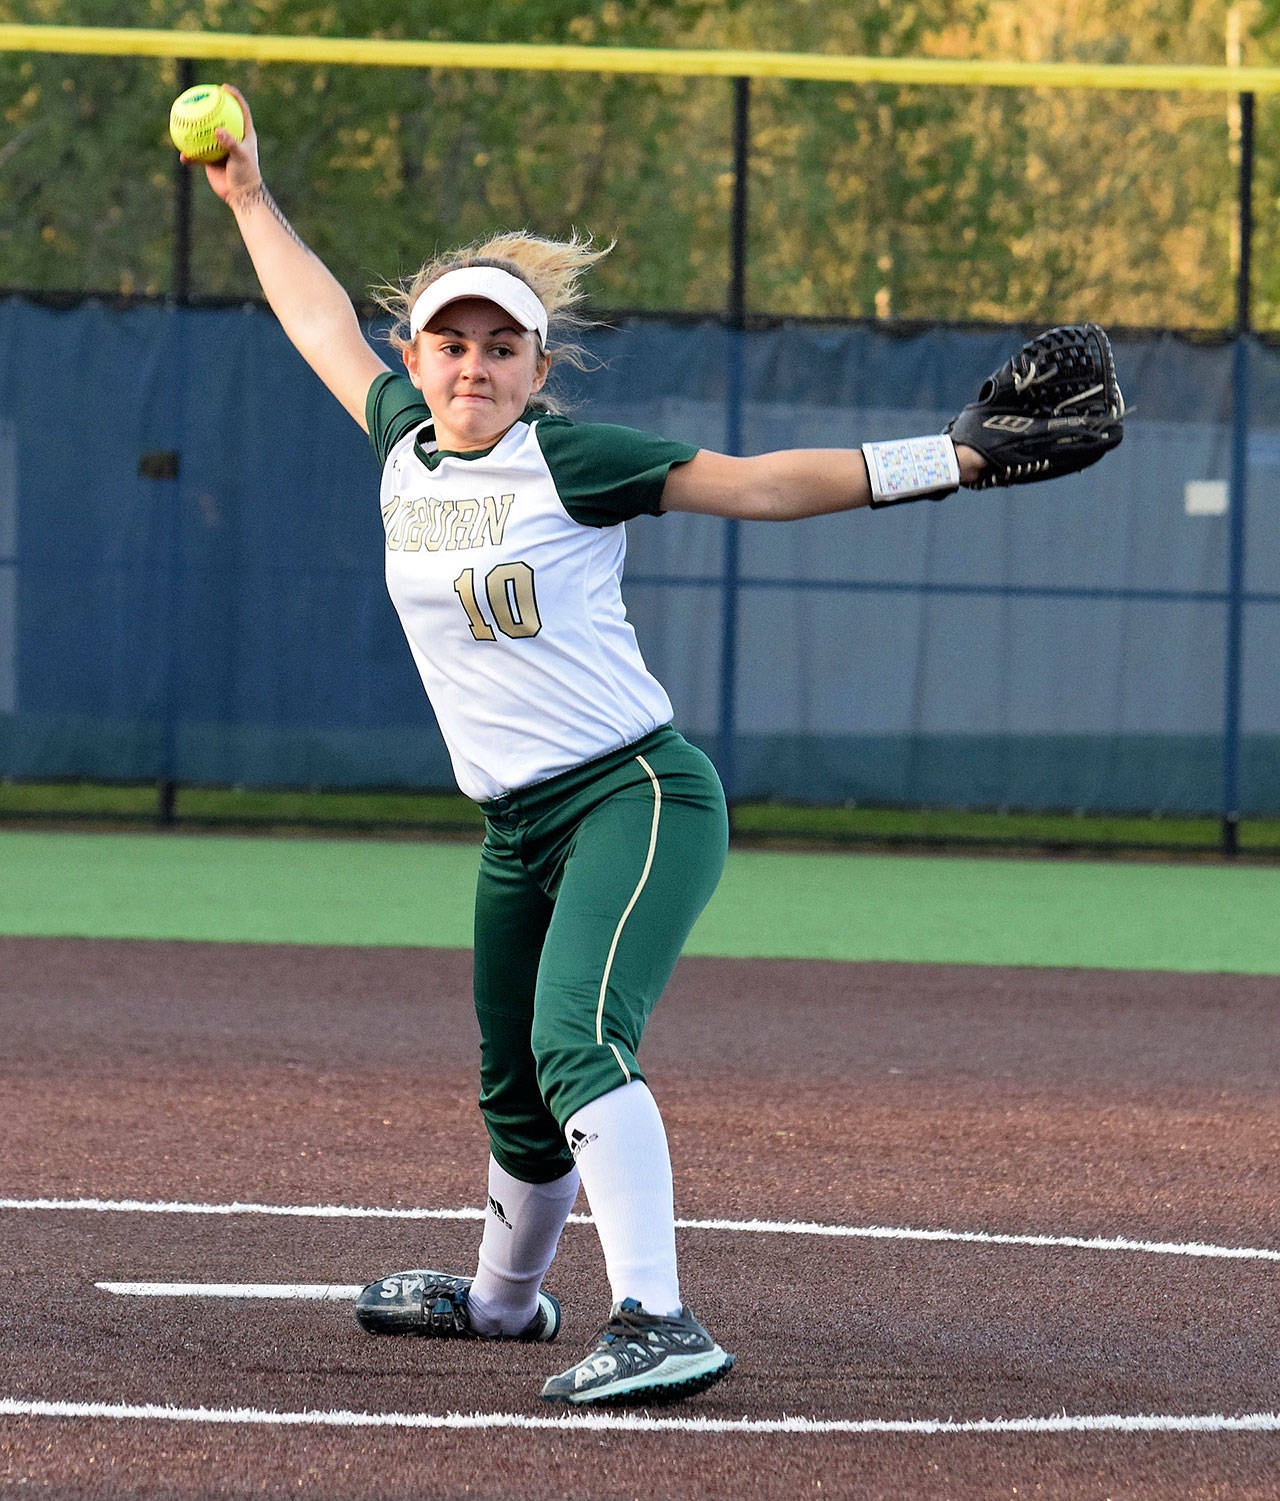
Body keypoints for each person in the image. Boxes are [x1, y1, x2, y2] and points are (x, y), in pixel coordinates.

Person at [191, 86, 988, 1408]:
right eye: (451, 342)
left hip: (634, 795)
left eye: (503, 348)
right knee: (512, 1087)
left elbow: (760, 480)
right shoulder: (403, 450)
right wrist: (248, 198)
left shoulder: (568, 462)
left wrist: (948, 459)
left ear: (537, 372)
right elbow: (320, 322)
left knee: (579, 1037)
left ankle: (662, 1315)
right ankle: (506, 1304)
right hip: (515, 824)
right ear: (419, 351)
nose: (472, 366)